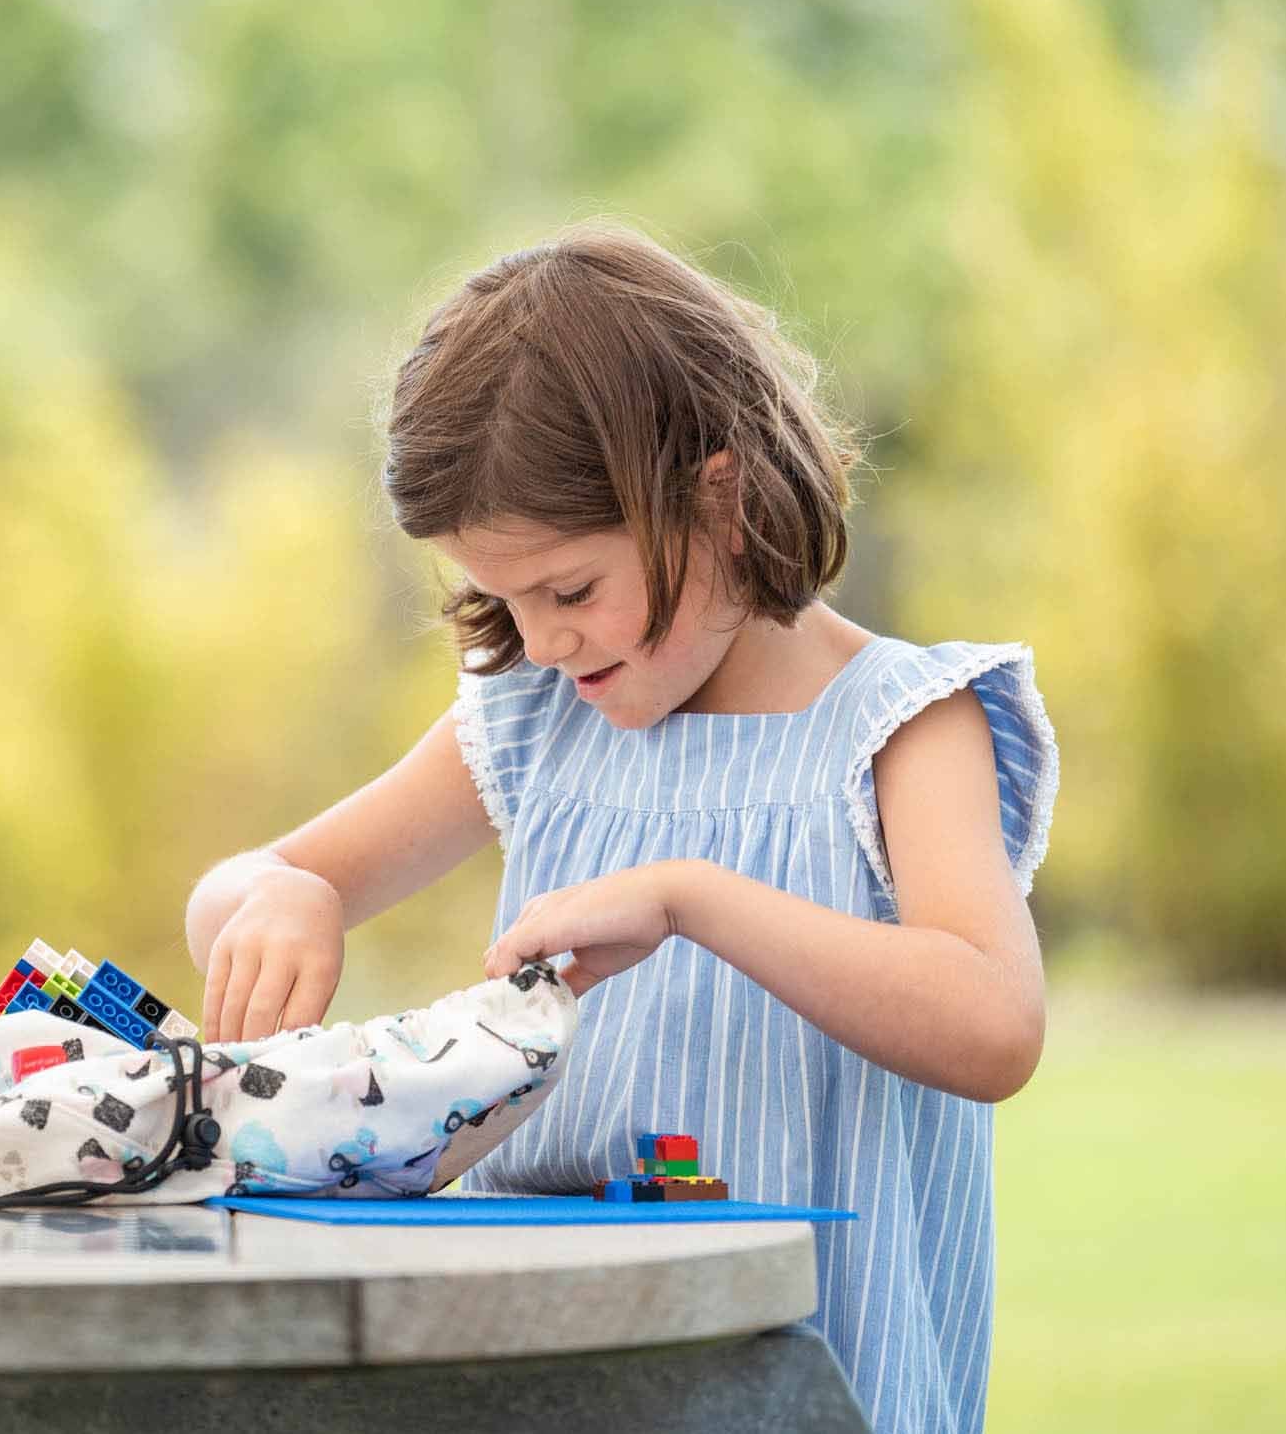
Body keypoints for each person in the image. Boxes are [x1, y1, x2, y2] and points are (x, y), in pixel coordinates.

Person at [183, 222, 1057, 1434]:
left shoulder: (902, 728)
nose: (539, 641)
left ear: (719, 498)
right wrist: (284, 894)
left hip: (802, 1384)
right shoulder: (538, 719)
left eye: (571, 591)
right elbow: (240, 884)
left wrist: (693, 898)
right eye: (502, 599)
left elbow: (994, 1024)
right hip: (532, 1381)